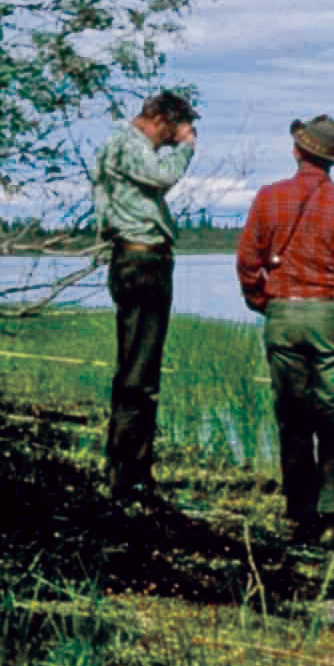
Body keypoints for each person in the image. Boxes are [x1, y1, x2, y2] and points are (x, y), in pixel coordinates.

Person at [235, 115, 334, 539]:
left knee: (293, 420)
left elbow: (248, 261)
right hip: (332, 315)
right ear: (332, 159)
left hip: (283, 314)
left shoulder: (268, 198)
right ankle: (332, 516)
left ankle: (301, 516)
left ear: (297, 151)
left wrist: (264, 302)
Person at [92, 89, 198, 501]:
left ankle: (128, 468)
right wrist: (185, 150)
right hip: (142, 263)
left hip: (134, 260)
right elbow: (162, 176)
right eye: (177, 128)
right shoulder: (129, 144)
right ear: (161, 119)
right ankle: (128, 477)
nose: (177, 137)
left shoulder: (116, 147)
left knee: (136, 369)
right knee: (139, 374)